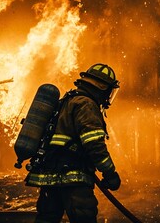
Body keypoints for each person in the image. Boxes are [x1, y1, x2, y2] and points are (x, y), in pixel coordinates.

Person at [25, 63, 122, 223]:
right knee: (84, 218)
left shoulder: (67, 101)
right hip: (73, 178)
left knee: (47, 219)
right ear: (102, 87)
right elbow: (94, 145)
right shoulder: (86, 105)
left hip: (50, 177)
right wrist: (110, 173)